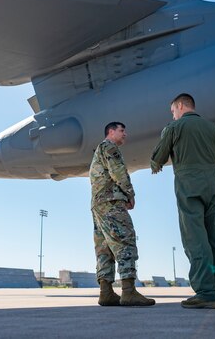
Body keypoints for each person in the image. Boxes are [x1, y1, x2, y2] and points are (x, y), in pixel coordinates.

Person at [150, 93, 215, 309]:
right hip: (213, 185)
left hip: (189, 187)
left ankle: (206, 292)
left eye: (173, 111)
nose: (173, 115)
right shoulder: (213, 128)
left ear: (180, 105)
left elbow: (157, 158)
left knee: (195, 239)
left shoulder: (174, 128)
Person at [90, 121, 155, 307]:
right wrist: (130, 193)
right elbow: (118, 172)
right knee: (125, 241)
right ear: (111, 132)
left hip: (98, 204)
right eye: (122, 130)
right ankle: (128, 291)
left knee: (104, 248)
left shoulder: (99, 150)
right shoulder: (109, 147)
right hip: (111, 202)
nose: (125, 134)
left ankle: (106, 292)